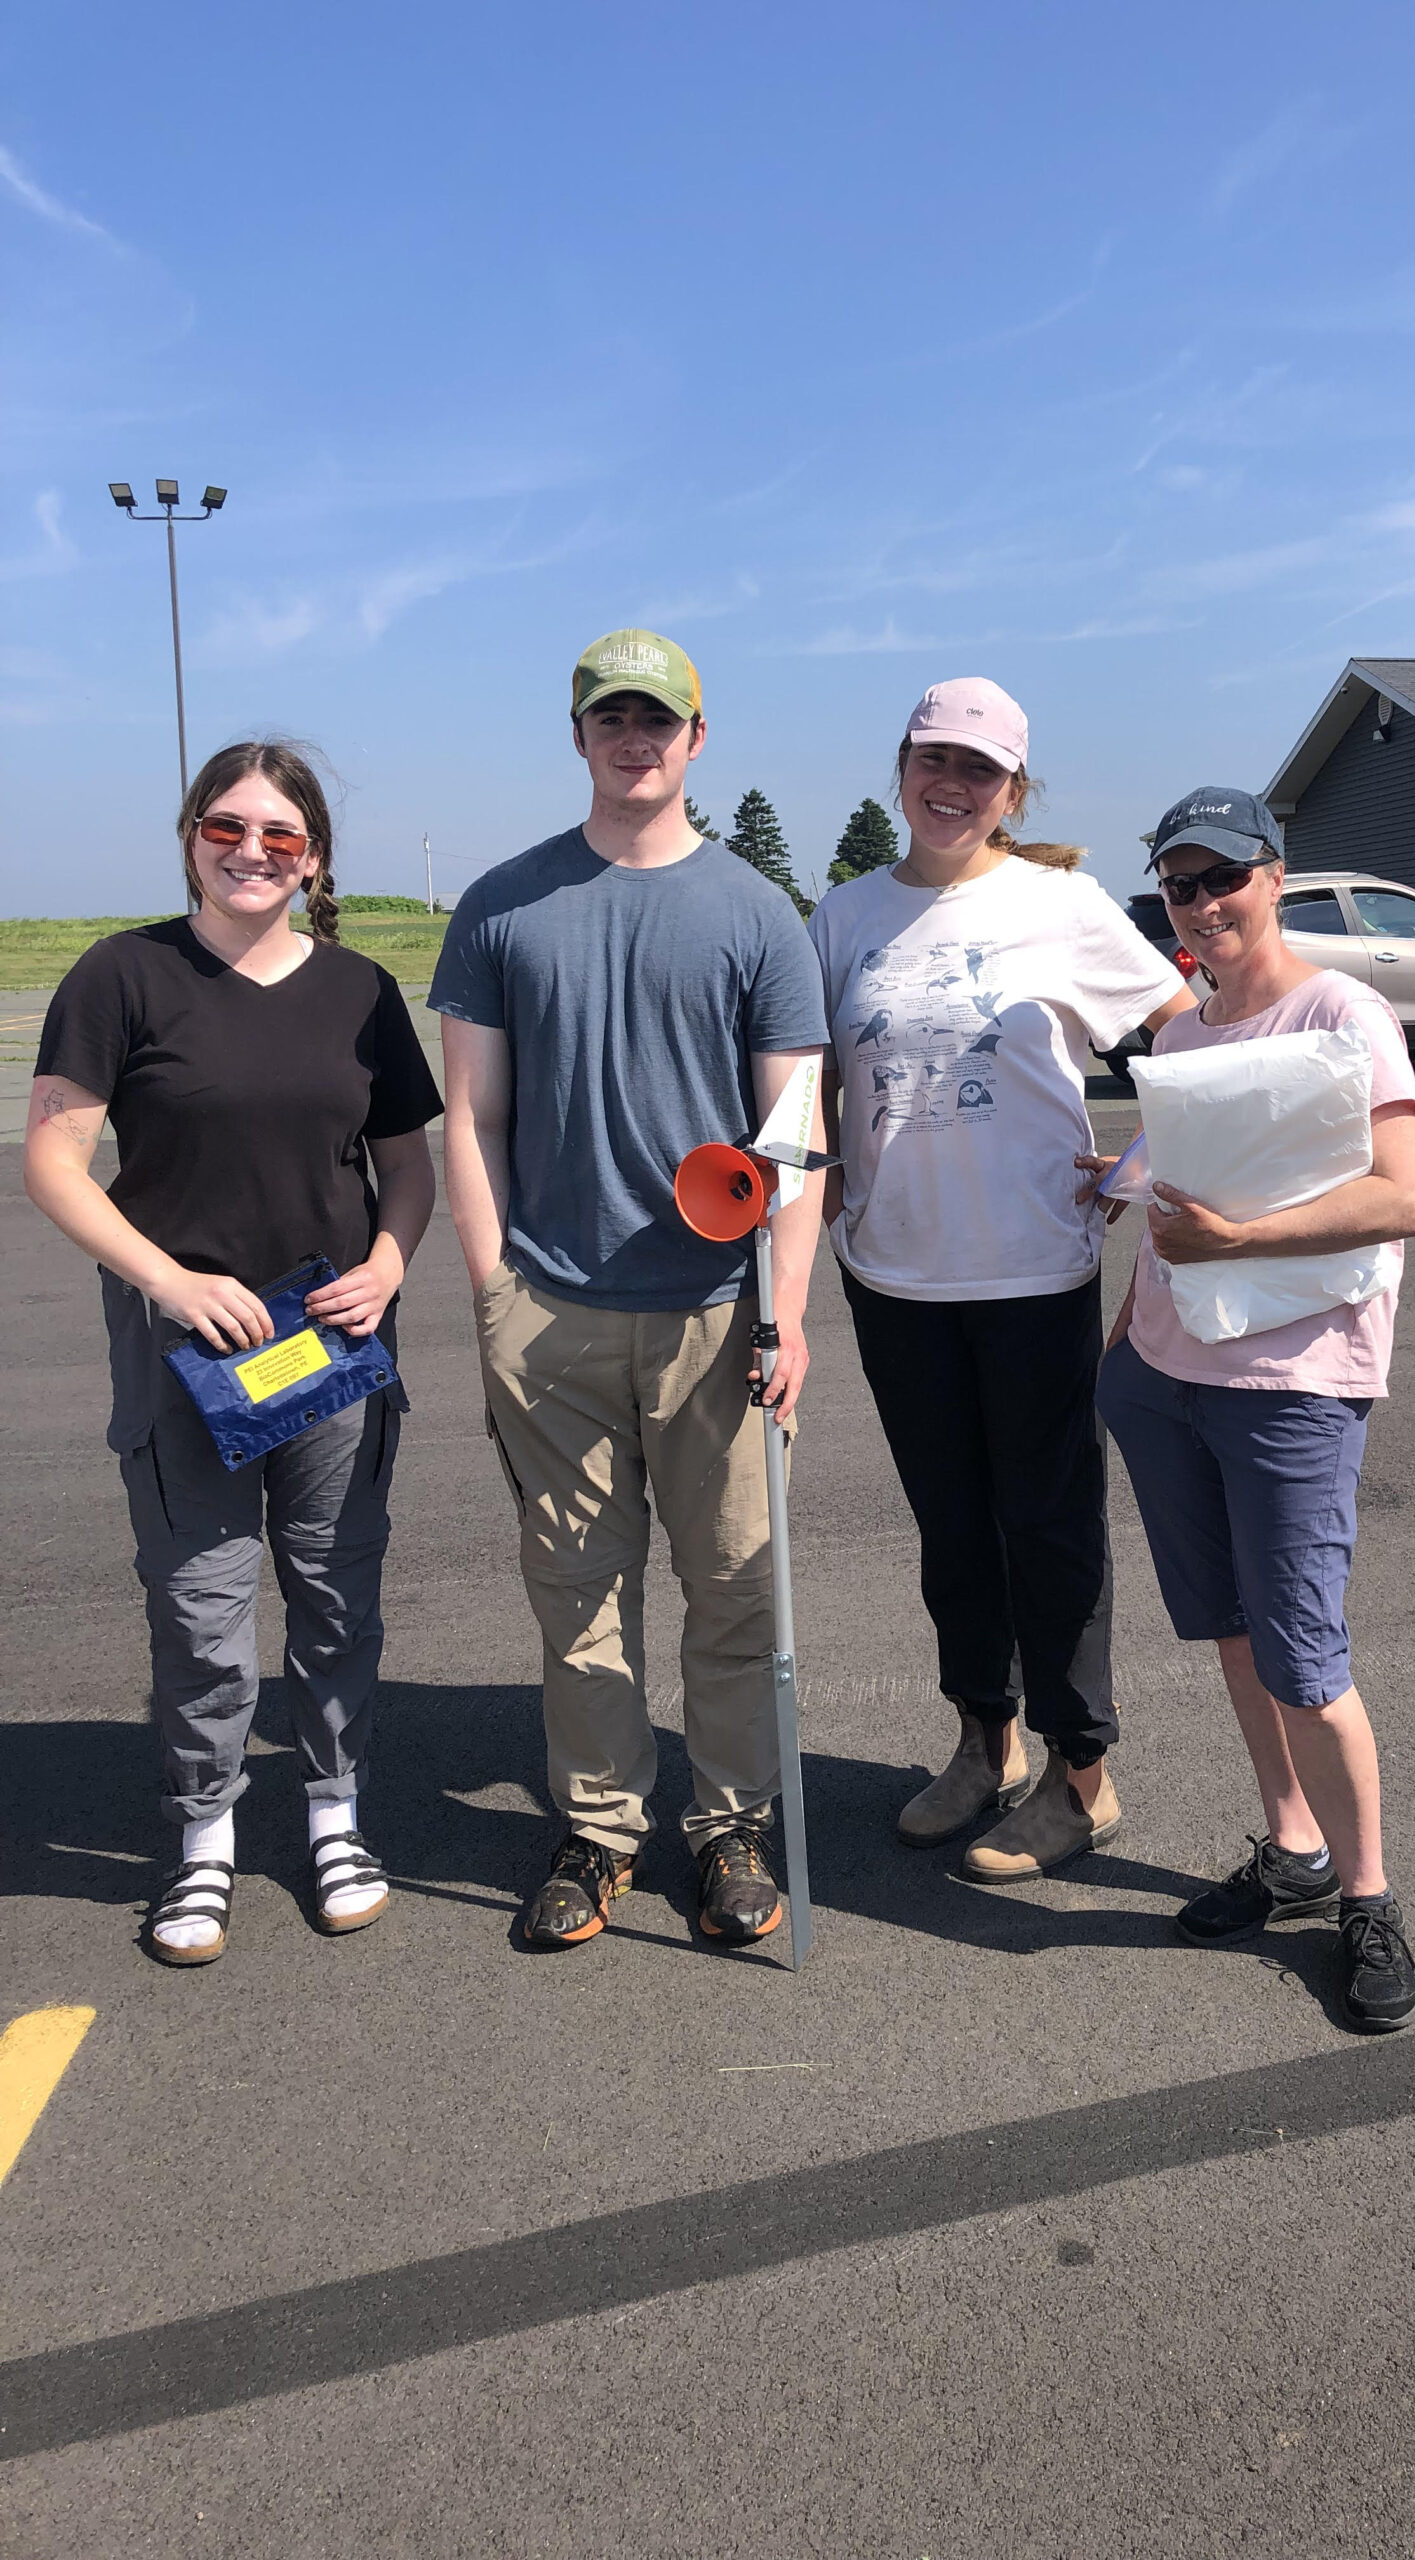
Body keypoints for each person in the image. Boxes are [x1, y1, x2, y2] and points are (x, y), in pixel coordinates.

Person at [430, 629, 829, 1953]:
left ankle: (730, 1831)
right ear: (581, 733)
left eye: (659, 718)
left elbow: (793, 1133)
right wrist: (492, 1293)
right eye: (612, 715)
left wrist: (790, 1307)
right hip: (551, 1309)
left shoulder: (758, 915)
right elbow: (471, 1121)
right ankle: (600, 1828)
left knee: (732, 1591)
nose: (635, 737)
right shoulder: (502, 906)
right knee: (578, 1596)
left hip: (719, 1309)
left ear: (697, 739)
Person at [25, 743, 442, 1965]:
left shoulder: (361, 989)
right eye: (229, 826)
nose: (252, 850)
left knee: (333, 1591)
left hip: (329, 1346)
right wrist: (169, 1277)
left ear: (313, 854)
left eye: (281, 833)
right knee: (201, 1606)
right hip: (186, 1350)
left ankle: (333, 1812)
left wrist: (392, 1257)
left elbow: (405, 1163)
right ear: (191, 835)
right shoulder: (123, 976)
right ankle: (202, 1835)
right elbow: (54, 1163)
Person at [809, 678, 1192, 1880]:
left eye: (981, 769)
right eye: (935, 758)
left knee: (1049, 1522)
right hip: (892, 1273)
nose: (953, 784)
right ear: (903, 765)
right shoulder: (844, 915)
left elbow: (1188, 1032)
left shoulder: (1060, 903)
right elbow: (806, 1087)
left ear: (1014, 791)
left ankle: (1084, 1778)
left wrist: (1140, 1163)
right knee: (952, 1530)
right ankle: (986, 1743)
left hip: (1031, 1269)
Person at [1093, 786, 1415, 2031]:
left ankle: (1369, 1894)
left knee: (1303, 1655)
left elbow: (1407, 1198)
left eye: (1220, 877)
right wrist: (1131, 1228)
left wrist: (1237, 1241)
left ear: (1274, 875)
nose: (1200, 905)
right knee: (1236, 1635)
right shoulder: (1184, 1039)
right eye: (1179, 887)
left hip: (1292, 1384)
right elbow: (1194, 1178)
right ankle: (1292, 1850)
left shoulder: (1344, 1012)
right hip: (1166, 1377)